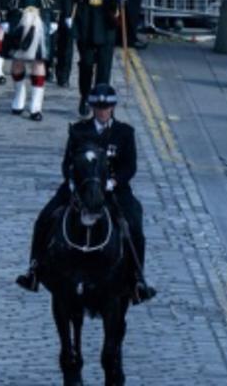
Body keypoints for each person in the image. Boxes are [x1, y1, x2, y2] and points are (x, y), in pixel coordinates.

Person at [15, 83, 155, 303]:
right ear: (91, 107)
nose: (102, 111)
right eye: (98, 107)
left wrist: (113, 182)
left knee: (134, 222)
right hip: (80, 189)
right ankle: (33, 270)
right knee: (44, 218)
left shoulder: (125, 133)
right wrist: (72, 183)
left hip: (113, 190)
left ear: (113, 108)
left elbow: (130, 166)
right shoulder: (79, 131)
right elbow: (67, 163)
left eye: (106, 107)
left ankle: (137, 279)